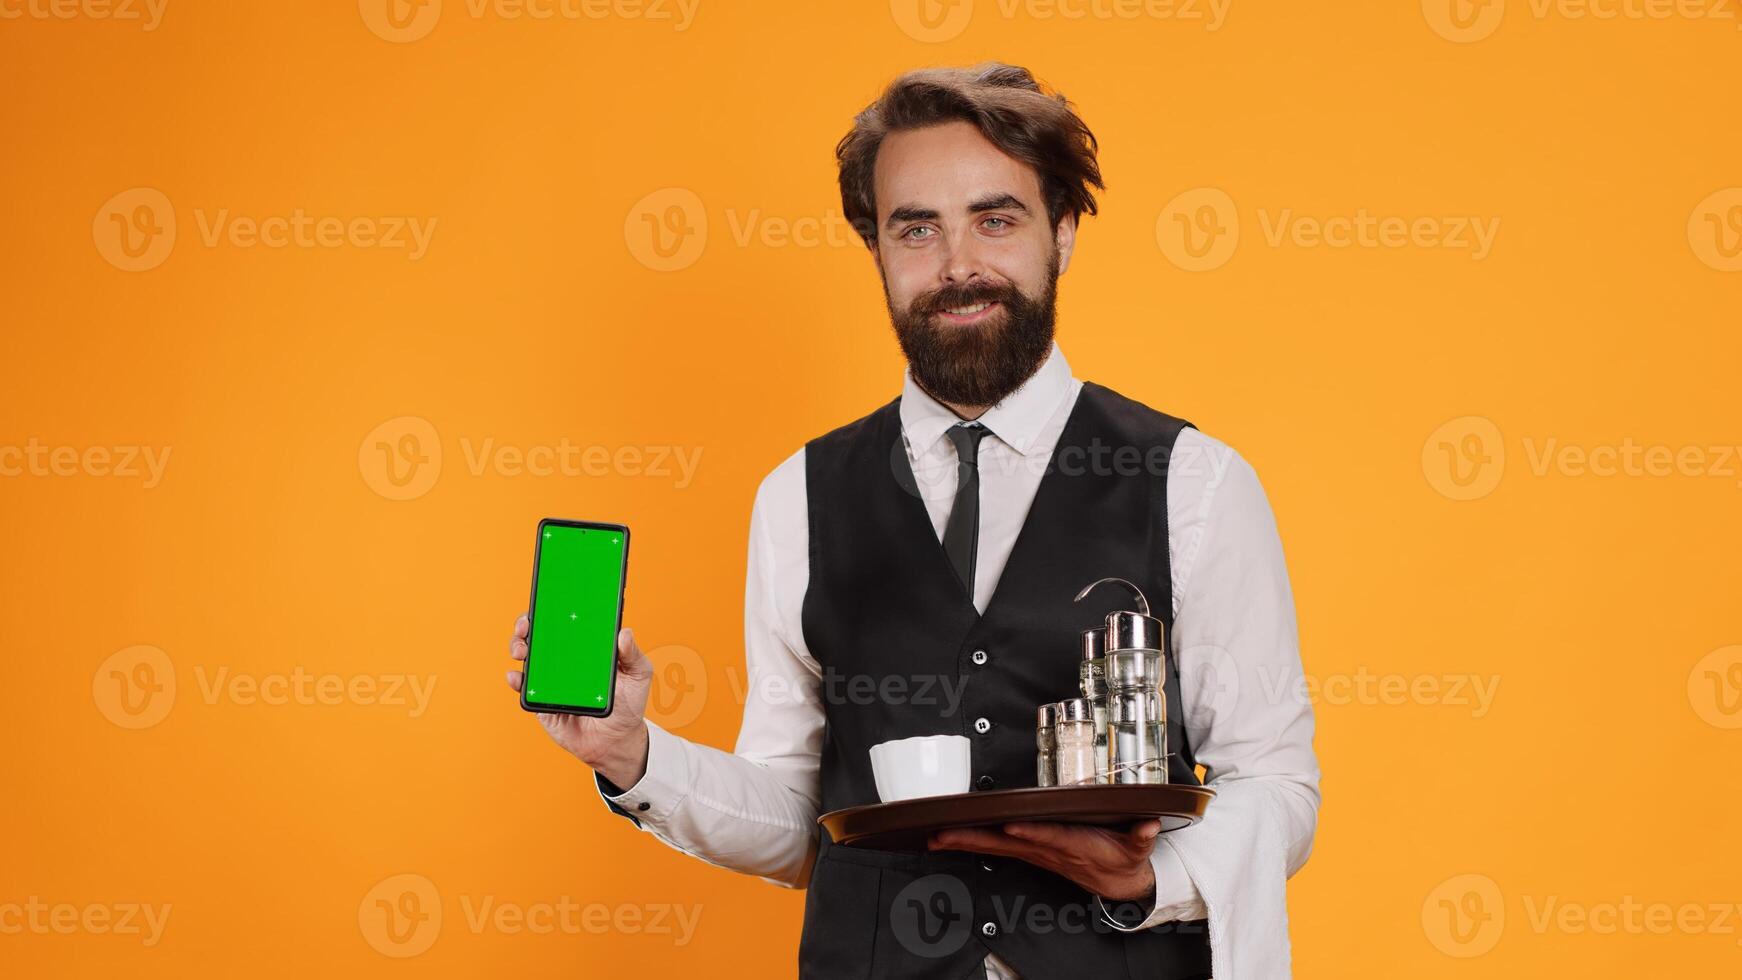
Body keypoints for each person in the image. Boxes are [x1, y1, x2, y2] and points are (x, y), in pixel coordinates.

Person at [506, 61, 1320, 979]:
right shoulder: (797, 497)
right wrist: (633, 755)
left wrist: (1152, 877)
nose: (959, 265)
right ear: (877, 249)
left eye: (996, 219)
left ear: (1062, 234)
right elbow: (794, 814)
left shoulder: (1195, 482)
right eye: (917, 228)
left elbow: (1276, 786)